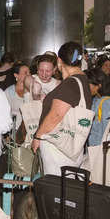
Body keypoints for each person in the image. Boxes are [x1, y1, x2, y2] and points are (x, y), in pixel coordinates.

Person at [31, 42, 93, 175]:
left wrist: (37, 136)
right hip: (71, 146)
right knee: (66, 187)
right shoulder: (82, 80)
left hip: (58, 147)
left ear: (59, 61)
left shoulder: (70, 83)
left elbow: (56, 116)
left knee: (56, 187)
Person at [86, 68, 110, 147]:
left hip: (103, 151)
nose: (85, 87)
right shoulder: (99, 99)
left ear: (98, 85)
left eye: (87, 84)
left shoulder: (107, 103)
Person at [4, 62, 32, 132]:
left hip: (31, 128)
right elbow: (4, 113)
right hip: (14, 130)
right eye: (25, 73)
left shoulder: (34, 89)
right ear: (16, 75)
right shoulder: (9, 92)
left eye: (29, 72)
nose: (29, 75)